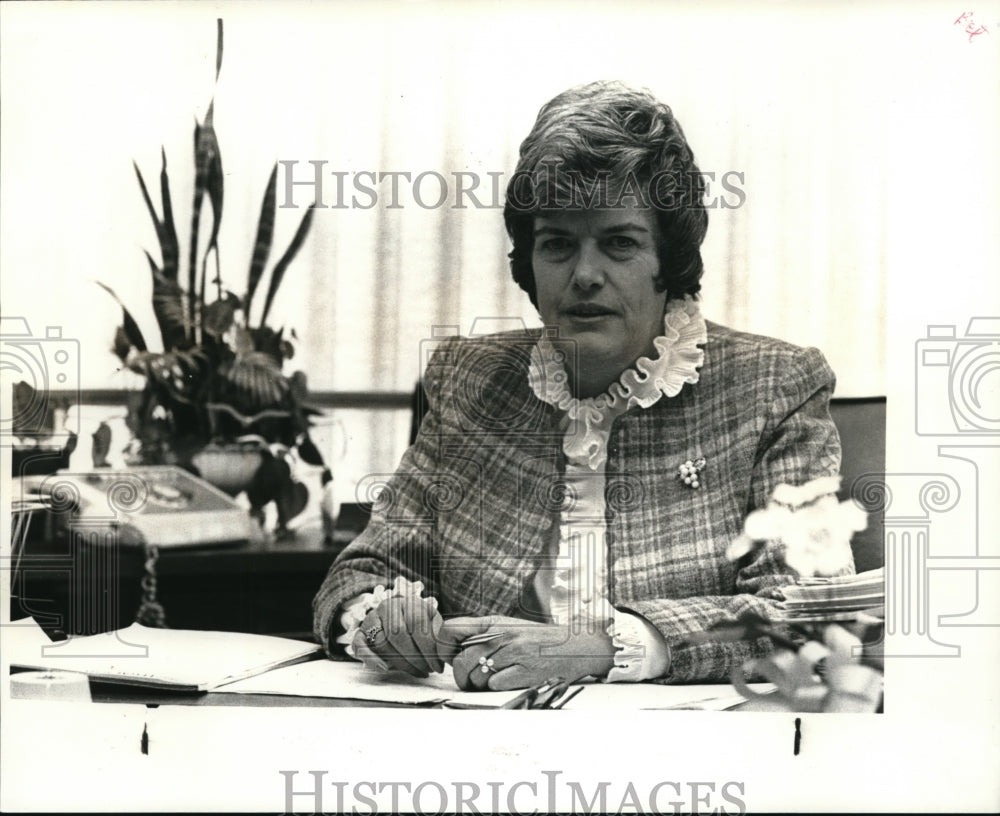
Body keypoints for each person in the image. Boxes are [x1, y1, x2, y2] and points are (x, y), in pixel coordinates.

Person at [312, 80, 850, 690]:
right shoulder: (469, 380)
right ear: (528, 262)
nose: (585, 275)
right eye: (557, 244)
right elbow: (367, 566)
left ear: (668, 260)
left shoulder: (773, 387)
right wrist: (379, 615)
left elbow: (810, 613)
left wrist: (604, 647)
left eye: (619, 242)